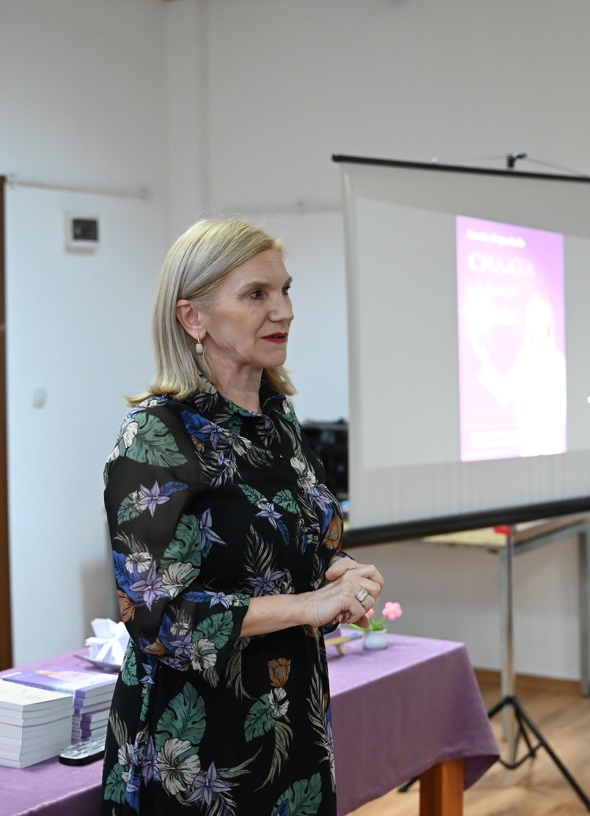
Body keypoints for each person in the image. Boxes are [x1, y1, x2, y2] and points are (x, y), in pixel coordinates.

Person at [100, 219, 384, 815]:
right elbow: (157, 620)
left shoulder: (277, 421)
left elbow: (300, 545)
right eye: (256, 294)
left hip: (293, 722)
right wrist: (307, 605)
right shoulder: (156, 436)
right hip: (197, 749)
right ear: (192, 318)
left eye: (285, 290)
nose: (283, 311)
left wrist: (341, 572)